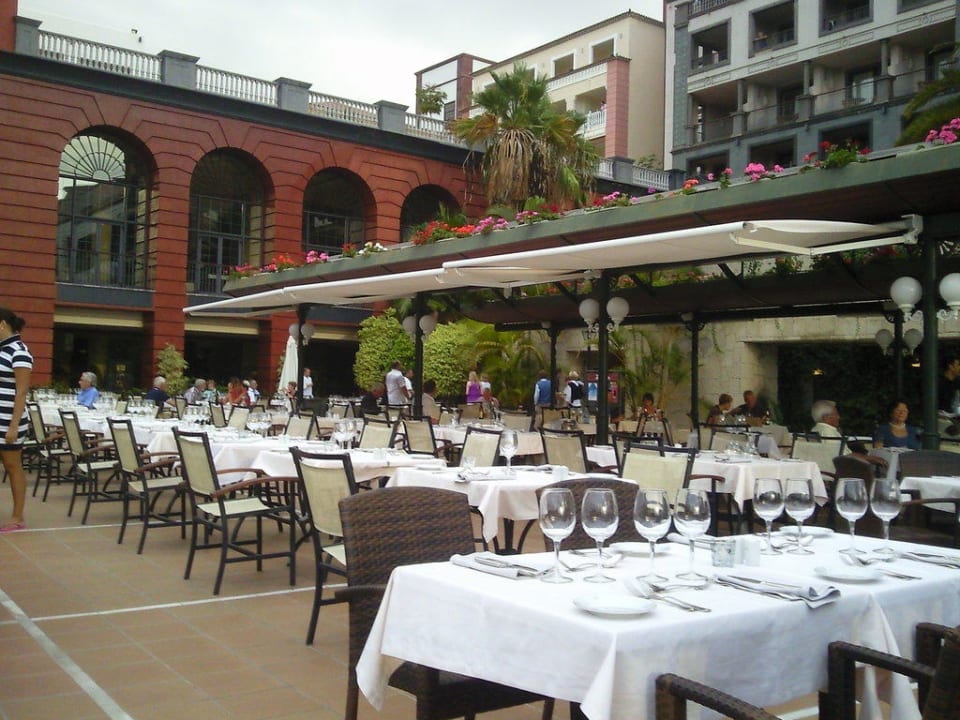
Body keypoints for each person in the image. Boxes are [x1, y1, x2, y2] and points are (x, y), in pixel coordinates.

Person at [0, 308, 32, 532]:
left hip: (9, 421)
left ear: (1, 324)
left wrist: (13, 426)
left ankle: (17, 516)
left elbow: (21, 392)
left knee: (12, 466)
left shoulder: (19, 351)